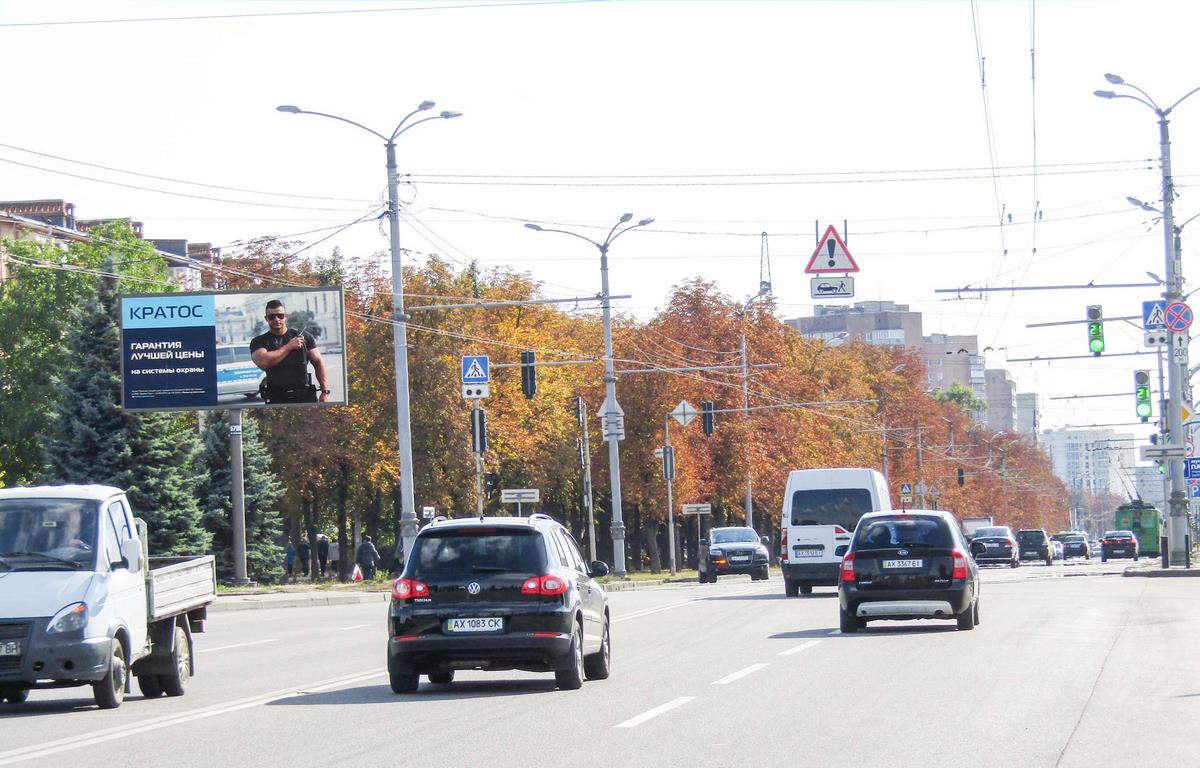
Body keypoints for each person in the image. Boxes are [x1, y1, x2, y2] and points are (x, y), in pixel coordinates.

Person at [249, 299, 331, 404]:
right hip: (276, 398)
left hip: (304, 396)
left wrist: (325, 392)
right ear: (266, 319)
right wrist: (289, 347)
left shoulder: (304, 336)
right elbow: (263, 362)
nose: (276, 319)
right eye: (271, 317)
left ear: (286, 316)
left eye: (280, 316)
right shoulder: (259, 341)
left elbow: (318, 362)